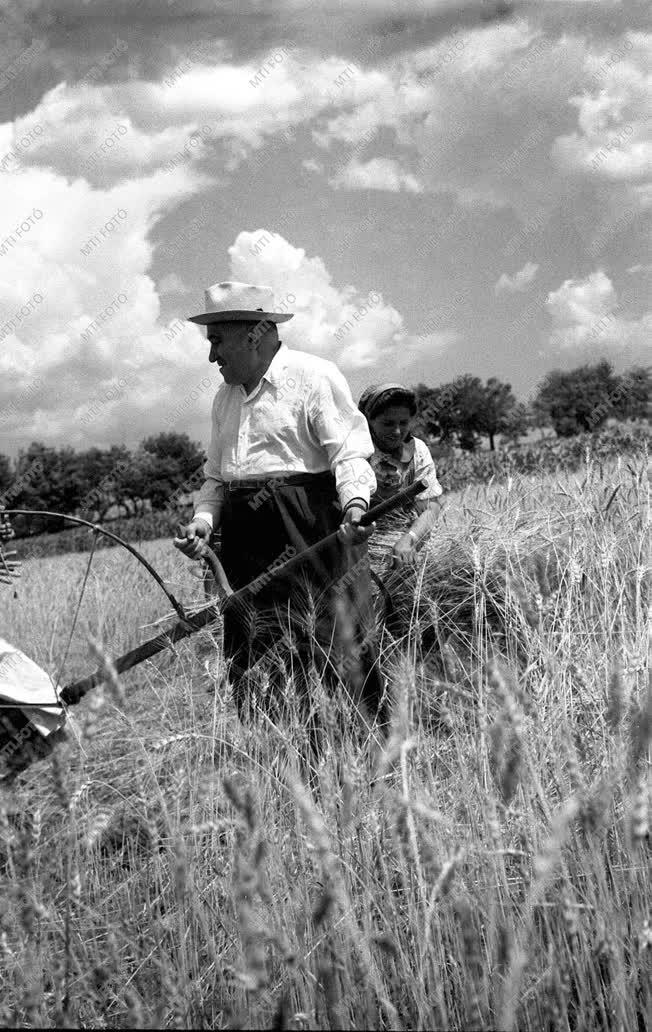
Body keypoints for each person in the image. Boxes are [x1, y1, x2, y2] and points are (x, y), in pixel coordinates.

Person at [174, 281, 386, 745]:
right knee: (256, 650)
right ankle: (279, 756)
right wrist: (204, 524)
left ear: (255, 333)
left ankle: (361, 753)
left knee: (333, 641)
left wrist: (353, 505)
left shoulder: (314, 377)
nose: (212, 357)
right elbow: (216, 480)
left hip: (310, 533)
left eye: (217, 341)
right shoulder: (224, 399)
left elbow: (350, 455)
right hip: (245, 547)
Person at [358, 383, 443, 572]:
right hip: (359, 547)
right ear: (367, 420)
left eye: (403, 423)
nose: (397, 431)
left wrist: (410, 538)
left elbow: (430, 507)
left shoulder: (418, 451)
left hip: (403, 539)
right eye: (388, 423)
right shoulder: (354, 451)